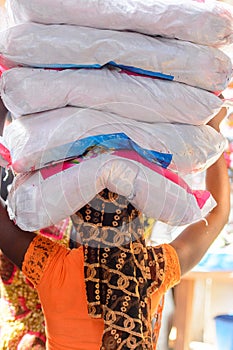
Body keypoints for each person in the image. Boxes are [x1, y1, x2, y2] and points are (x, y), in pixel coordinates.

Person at [0, 107, 230, 350]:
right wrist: (212, 128)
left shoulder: (54, 269)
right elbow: (218, 213)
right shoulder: (155, 270)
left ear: (77, 217)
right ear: (140, 216)